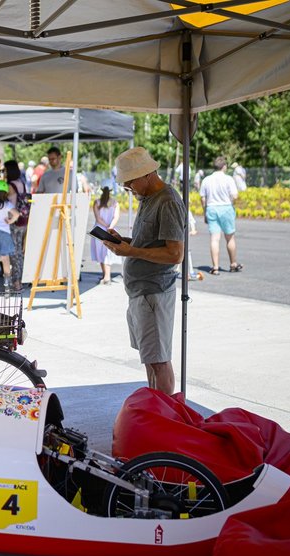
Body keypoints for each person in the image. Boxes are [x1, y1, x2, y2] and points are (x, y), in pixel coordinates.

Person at [99, 147, 185, 396]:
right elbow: (148, 242)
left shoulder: (167, 201)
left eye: (130, 183)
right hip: (142, 292)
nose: (129, 189)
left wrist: (131, 251)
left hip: (154, 292)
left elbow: (174, 254)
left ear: (147, 174)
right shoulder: (149, 198)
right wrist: (125, 242)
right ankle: (156, 410)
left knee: (159, 360)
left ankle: (165, 415)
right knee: (150, 359)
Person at [199, 156, 241, 274]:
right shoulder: (228, 179)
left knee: (214, 239)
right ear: (224, 166)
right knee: (230, 238)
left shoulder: (207, 180)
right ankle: (233, 264)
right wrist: (232, 202)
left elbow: (203, 197)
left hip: (211, 208)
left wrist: (205, 211)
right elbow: (235, 195)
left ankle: (215, 267)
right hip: (226, 207)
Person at [3, 159, 29, 292]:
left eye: (5, 170)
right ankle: (21, 280)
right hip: (23, 220)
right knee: (20, 252)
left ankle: (16, 282)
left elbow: (3, 201)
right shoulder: (22, 183)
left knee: (14, 252)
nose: (4, 172)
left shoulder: (10, 186)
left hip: (12, 221)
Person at [90, 187, 120, 285]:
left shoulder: (97, 202)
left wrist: (106, 226)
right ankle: (106, 276)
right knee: (107, 253)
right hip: (110, 230)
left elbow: (98, 218)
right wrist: (110, 227)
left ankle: (106, 276)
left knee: (100, 253)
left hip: (99, 230)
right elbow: (116, 217)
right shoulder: (115, 203)